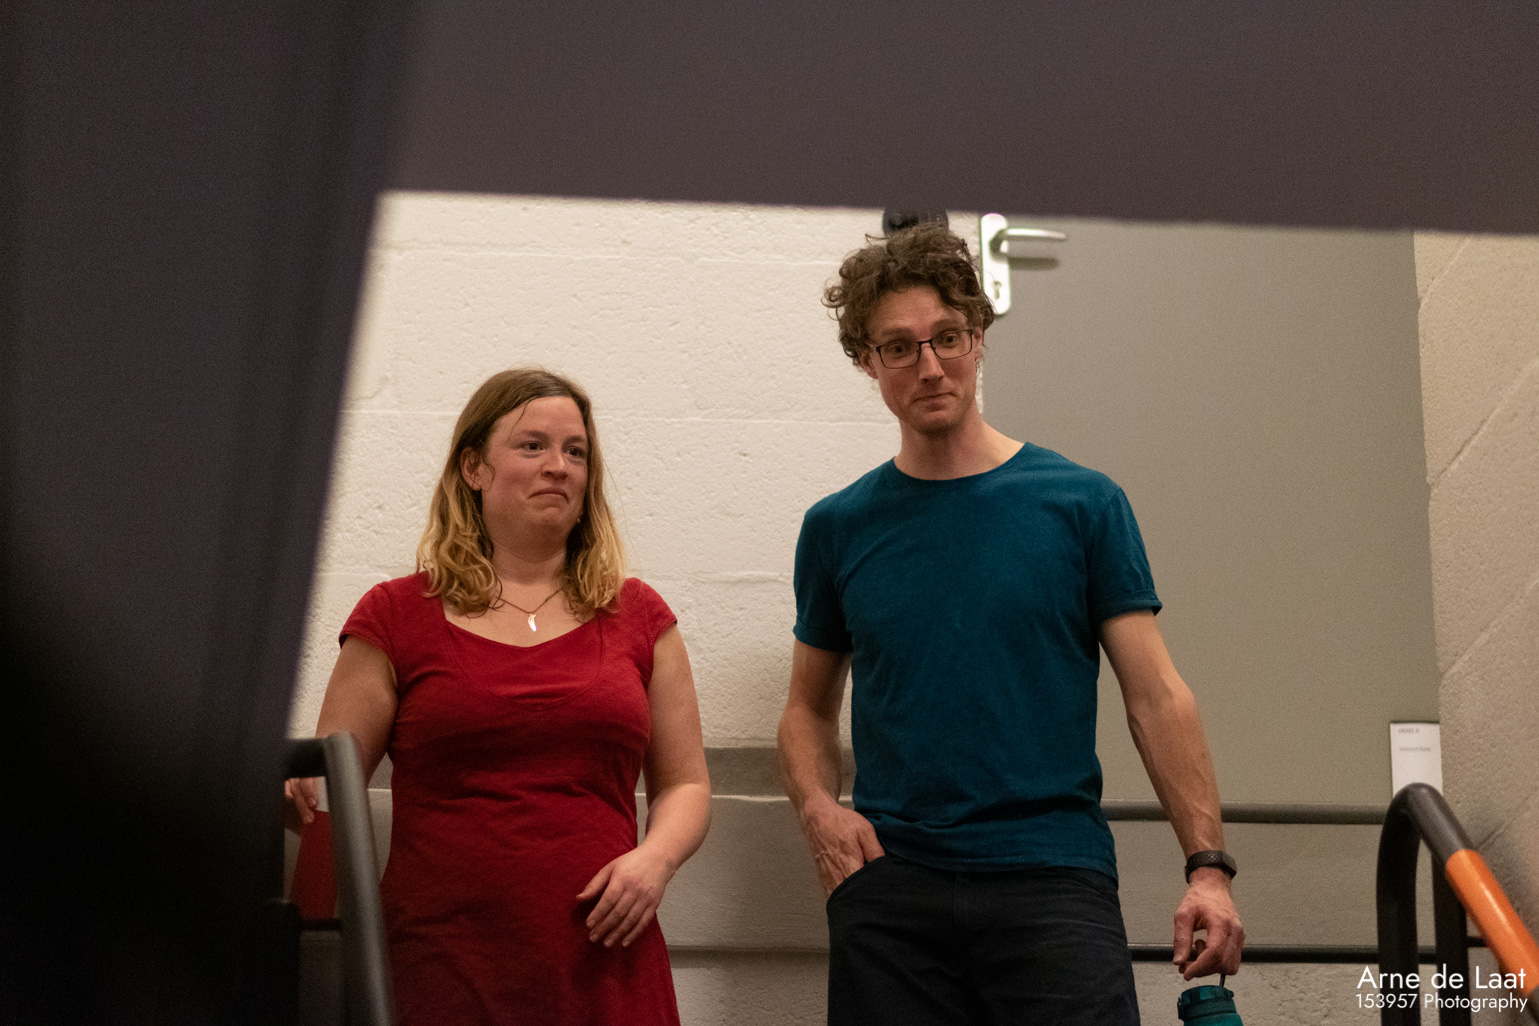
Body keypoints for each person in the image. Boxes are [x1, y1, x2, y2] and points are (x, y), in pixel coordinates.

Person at [777, 224, 1244, 1025]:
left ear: (978, 336)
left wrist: (1207, 868)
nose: (929, 366)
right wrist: (819, 810)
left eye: (946, 337)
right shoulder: (836, 527)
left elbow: (1156, 696)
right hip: (892, 889)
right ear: (866, 362)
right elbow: (805, 709)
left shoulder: (1081, 503)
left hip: (1053, 878)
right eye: (899, 347)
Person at [286, 368, 710, 1025]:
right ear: (473, 468)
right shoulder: (394, 615)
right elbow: (325, 793)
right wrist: (286, 791)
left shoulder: (638, 615)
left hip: (604, 962)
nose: (559, 466)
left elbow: (685, 783)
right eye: (532, 446)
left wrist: (655, 862)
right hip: (442, 969)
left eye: (576, 452)